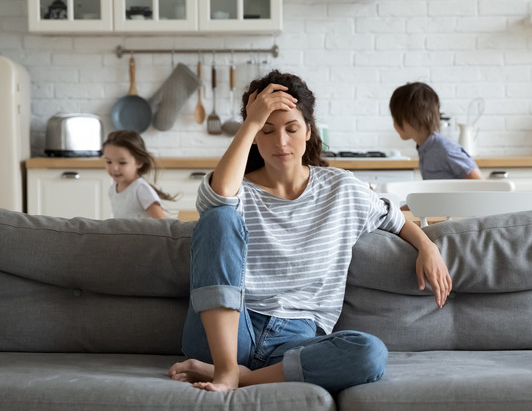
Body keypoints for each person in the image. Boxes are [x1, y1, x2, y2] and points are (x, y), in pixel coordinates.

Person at [168, 71, 452, 393]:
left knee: (370, 353)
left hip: (296, 340)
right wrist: (250, 120)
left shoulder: (341, 189)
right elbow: (218, 198)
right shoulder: (236, 189)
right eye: (267, 130)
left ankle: (237, 376)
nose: (281, 142)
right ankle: (225, 366)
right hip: (228, 329)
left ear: (308, 132)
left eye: (291, 129)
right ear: (254, 136)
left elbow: (396, 220)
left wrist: (428, 247)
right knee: (219, 217)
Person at [389, 82, 483, 180]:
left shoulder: (445, 148)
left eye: (395, 118)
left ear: (412, 118)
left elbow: (480, 184)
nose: (394, 124)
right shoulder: (424, 147)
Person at [102, 130, 176, 219]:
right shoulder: (112, 189)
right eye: (109, 162)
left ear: (139, 162)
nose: (114, 168)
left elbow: (163, 223)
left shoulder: (141, 189)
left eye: (122, 162)